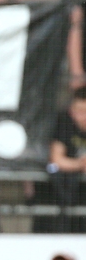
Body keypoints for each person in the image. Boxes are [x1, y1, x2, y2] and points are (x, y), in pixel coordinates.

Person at [46, 87, 86, 224]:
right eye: (76, 110)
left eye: (83, 112)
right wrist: (80, 164)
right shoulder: (64, 122)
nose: (78, 116)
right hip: (68, 182)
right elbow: (56, 160)